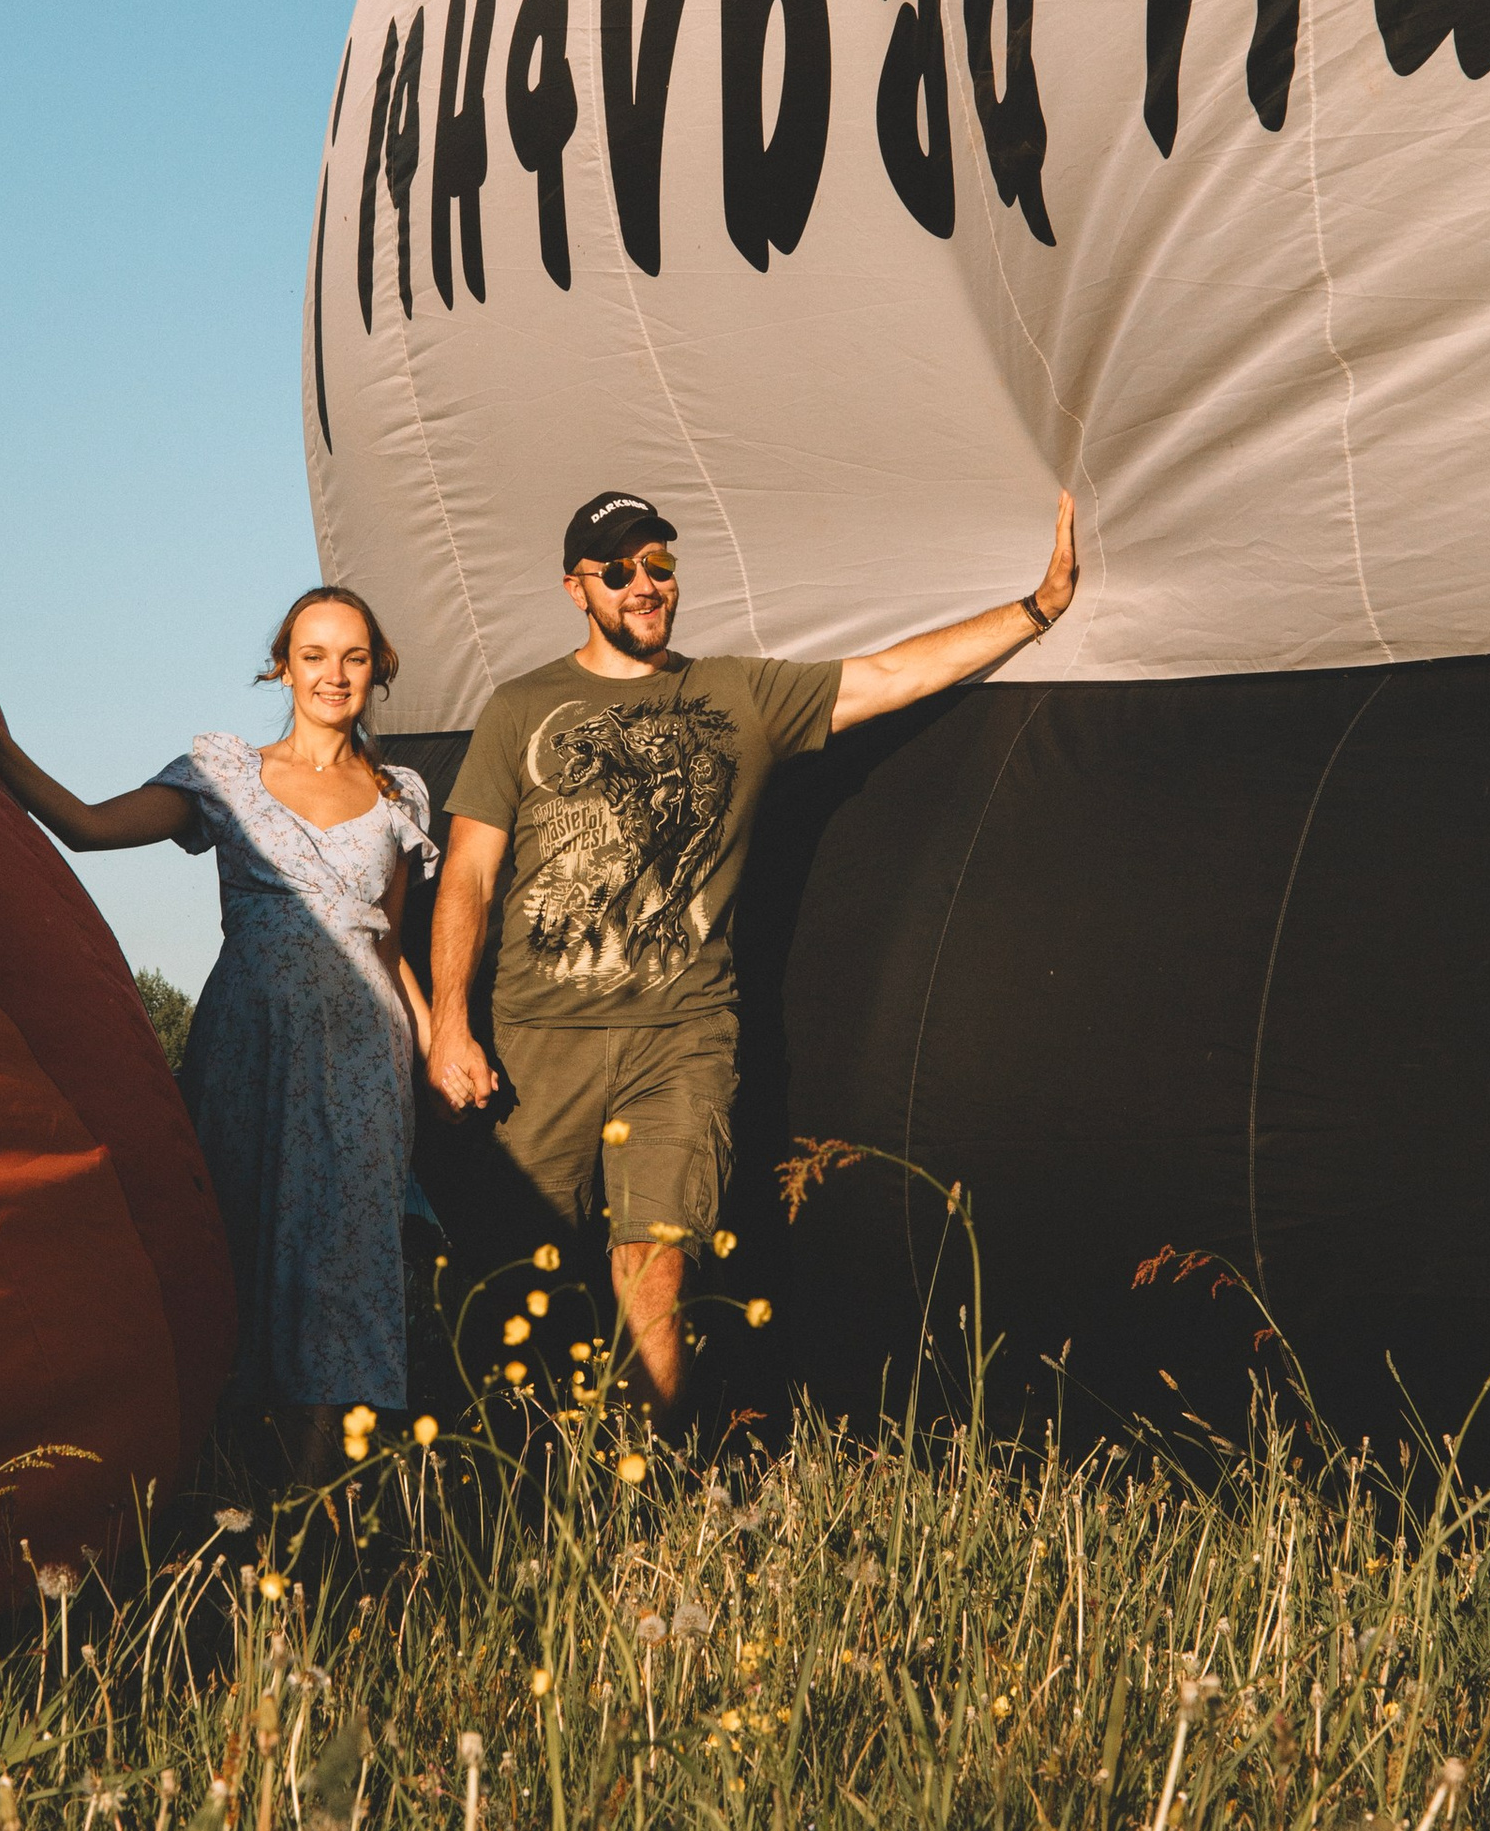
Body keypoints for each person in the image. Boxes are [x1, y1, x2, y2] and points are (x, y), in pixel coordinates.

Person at [426, 484, 1081, 1433]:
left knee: (655, 1267)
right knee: (516, 1277)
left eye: (660, 565)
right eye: (620, 569)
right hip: (538, 1043)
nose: (645, 585)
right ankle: (507, 1487)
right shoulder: (521, 708)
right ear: (578, 588)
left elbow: (890, 676)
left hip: (680, 1043)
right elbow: (471, 879)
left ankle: (641, 1496)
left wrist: (1036, 609)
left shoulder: (737, 693)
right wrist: (450, 1020)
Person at [0, 589, 437, 1490]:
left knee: (341, 1264)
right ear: (282, 665)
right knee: (237, 1247)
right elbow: (90, 830)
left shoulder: (399, 794)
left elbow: (389, 943)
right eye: (315, 654)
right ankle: (220, 1491)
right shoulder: (225, 773)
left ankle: (314, 1505)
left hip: (366, 1056)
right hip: (252, 1040)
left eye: (354, 656)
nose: (334, 675)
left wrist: (441, 1041)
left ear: (377, 669)